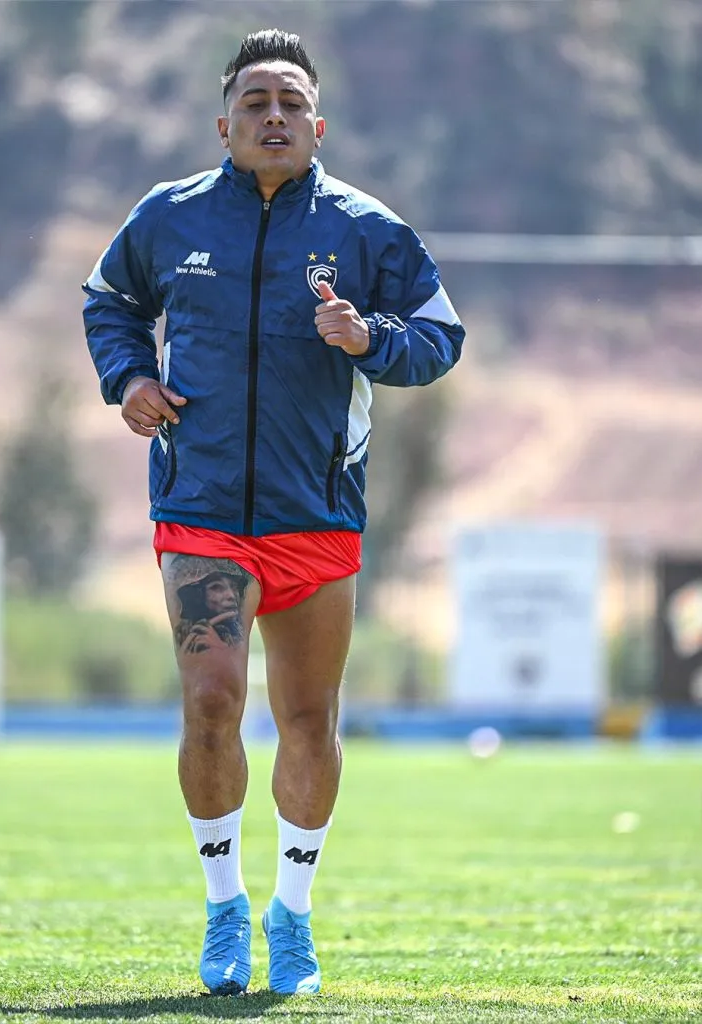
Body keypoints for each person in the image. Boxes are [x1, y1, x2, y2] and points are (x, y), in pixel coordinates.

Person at [83, 28, 465, 997]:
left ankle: (290, 916)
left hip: (315, 511)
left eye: (292, 102)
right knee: (212, 701)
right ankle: (223, 906)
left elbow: (439, 336)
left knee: (307, 717)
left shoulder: (368, 229)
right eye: (255, 102)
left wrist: (370, 337)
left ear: (319, 125)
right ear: (224, 125)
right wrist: (128, 377)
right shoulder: (168, 216)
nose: (274, 116)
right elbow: (110, 301)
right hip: (201, 507)